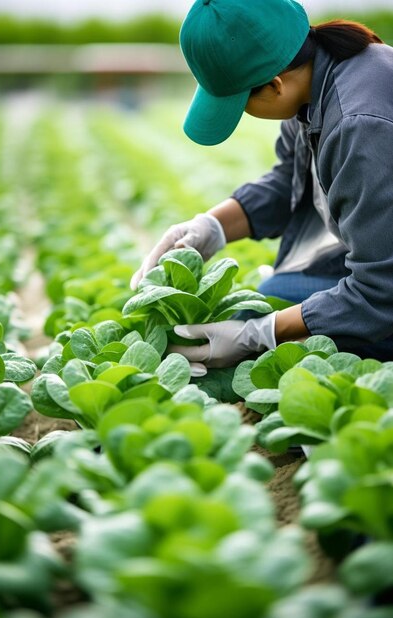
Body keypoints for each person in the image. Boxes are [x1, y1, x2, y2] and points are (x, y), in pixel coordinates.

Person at [131, 0, 393, 370]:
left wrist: (259, 335)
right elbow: (291, 179)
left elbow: (383, 292)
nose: (243, 113)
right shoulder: (318, 76)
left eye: (241, 104)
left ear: (274, 85)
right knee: (276, 295)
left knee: (281, 315)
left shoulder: (359, 125)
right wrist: (211, 226)